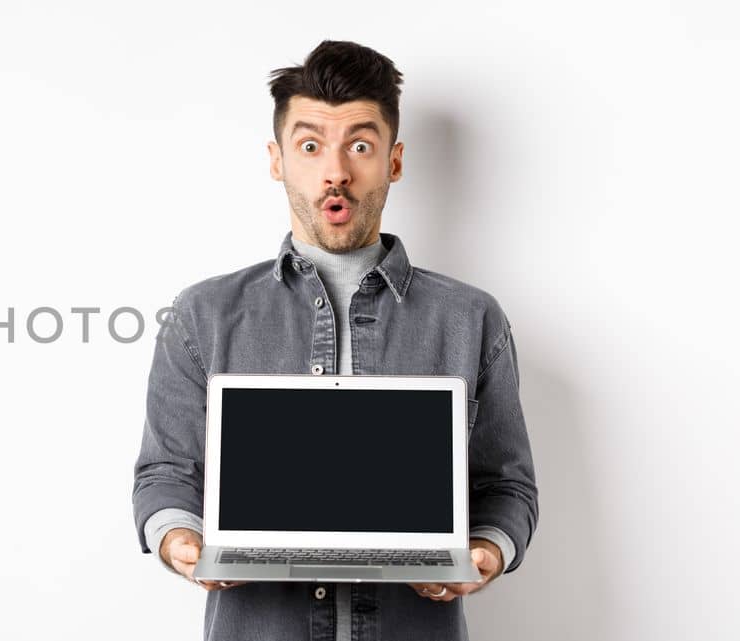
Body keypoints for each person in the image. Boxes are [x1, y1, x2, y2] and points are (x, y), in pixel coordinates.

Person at [130, 40, 539, 641]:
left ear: (394, 161)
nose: (336, 170)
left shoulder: (471, 318)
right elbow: (165, 472)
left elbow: (508, 486)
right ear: (277, 159)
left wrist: (485, 550)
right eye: (311, 145)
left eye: (361, 146)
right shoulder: (202, 314)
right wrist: (180, 539)